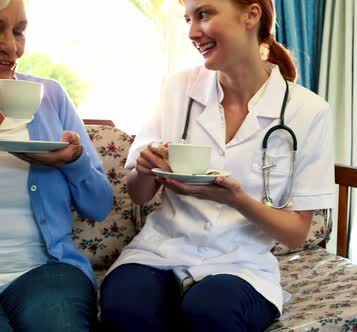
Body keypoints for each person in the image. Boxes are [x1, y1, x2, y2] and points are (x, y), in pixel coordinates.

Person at [99, 0, 335, 331]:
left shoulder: (308, 112)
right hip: (160, 250)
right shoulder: (177, 89)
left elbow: (296, 234)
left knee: (210, 311)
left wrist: (235, 199)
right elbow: (138, 194)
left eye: (204, 14)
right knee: (124, 308)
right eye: (188, 19)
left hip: (241, 264)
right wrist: (146, 167)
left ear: (252, 15)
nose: (193, 32)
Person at [0, 0, 114, 331]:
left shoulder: (50, 96)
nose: (11, 48)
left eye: (18, 32)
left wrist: (74, 162)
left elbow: (99, 206)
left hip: (45, 271)